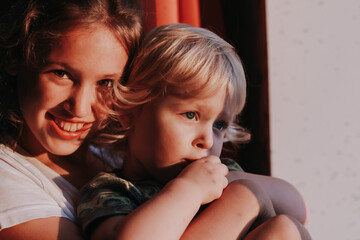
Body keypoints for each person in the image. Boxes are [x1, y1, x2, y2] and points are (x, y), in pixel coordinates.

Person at [77, 24, 311, 239]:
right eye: (190, 115)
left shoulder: (223, 173)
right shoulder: (113, 190)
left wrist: (230, 179)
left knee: (285, 227)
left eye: (219, 125)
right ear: (130, 113)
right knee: (243, 197)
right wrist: (190, 189)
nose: (207, 140)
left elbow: (299, 209)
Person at [0, 0, 142, 239]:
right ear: (17, 58)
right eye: (61, 74)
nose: (79, 107)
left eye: (105, 83)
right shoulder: (7, 179)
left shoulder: (113, 155)